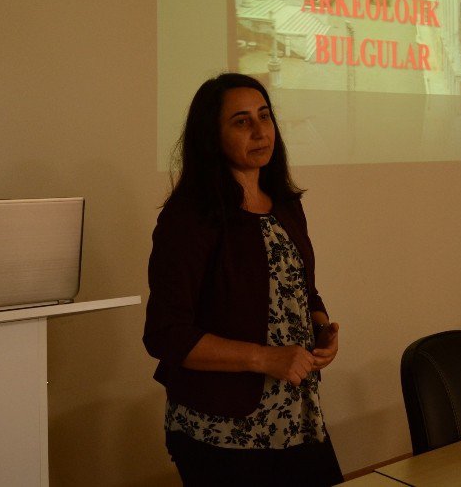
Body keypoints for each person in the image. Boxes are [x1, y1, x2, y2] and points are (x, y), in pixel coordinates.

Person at [143, 73, 343, 486]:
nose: (259, 131)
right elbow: (166, 333)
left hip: (296, 412)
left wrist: (321, 326)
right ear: (211, 136)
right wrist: (264, 357)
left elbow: (301, 288)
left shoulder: (285, 205)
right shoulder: (189, 217)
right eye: (241, 121)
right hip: (221, 428)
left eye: (264, 117)